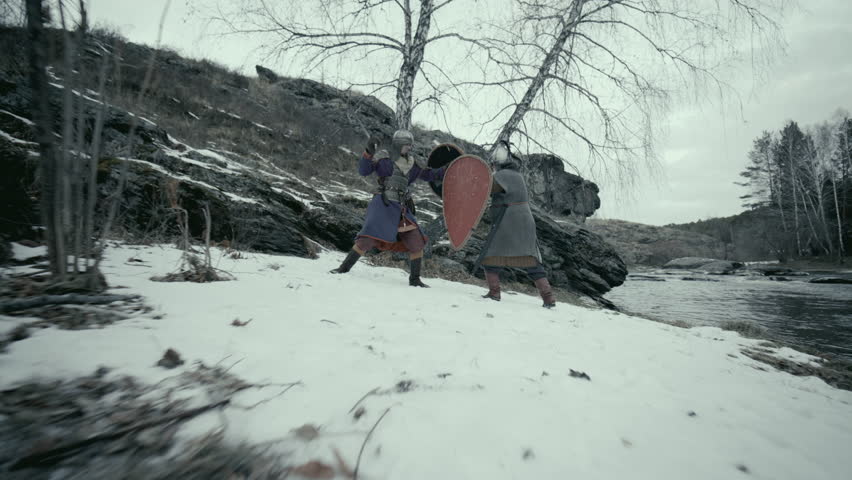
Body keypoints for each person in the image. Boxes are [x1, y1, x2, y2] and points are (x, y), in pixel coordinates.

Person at [330, 129, 445, 287]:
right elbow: (364, 170)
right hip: (383, 205)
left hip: (403, 208)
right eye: (406, 145)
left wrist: (447, 170)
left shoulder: (413, 165)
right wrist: (369, 152)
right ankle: (343, 268)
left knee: (416, 240)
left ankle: (415, 279)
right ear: (398, 145)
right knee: (368, 238)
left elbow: (429, 175)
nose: (409, 148)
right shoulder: (385, 161)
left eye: (410, 145)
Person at [479, 140, 556, 308]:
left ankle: (494, 293)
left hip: (508, 221)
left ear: (497, 164)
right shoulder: (517, 175)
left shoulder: (503, 175)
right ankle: (548, 298)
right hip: (525, 221)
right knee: (530, 259)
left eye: (493, 165)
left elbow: (486, 189)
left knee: (490, 256)